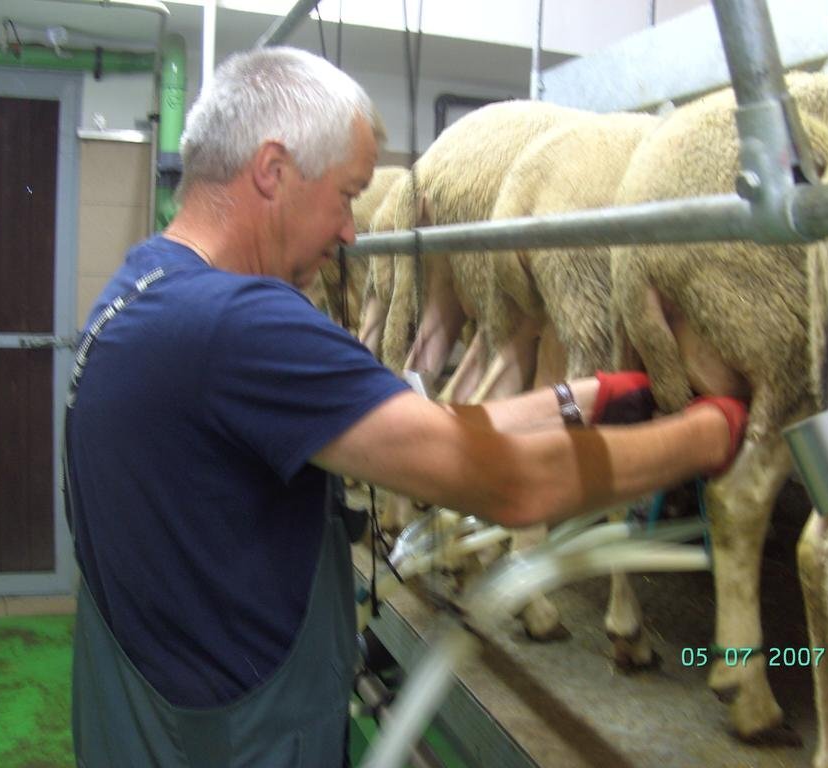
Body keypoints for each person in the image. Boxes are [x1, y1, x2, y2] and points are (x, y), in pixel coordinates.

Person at [64, 46, 747, 767]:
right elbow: (515, 485)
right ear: (272, 171)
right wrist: (709, 432)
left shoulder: (145, 287)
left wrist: (583, 398)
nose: (351, 231)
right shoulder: (242, 324)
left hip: (157, 720)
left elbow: (426, 431)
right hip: (231, 742)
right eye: (347, 195)